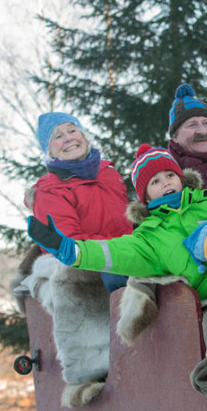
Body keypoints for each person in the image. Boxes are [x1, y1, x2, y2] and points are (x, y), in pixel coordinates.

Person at [27, 144, 207, 305]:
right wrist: (72, 250)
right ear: (145, 196)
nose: (165, 182)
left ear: (181, 177)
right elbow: (114, 252)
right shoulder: (149, 236)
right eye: (155, 181)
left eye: (170, 175)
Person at [31, 112, 133, 291]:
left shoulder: (108, 173)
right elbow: (69, 242)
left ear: (84, 136)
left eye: (72, 130)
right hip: (88, 267)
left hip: (130, 253)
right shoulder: (49, 190)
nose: (69, 138)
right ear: (49, 150)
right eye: (58, 136)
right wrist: (125, 249)